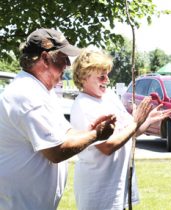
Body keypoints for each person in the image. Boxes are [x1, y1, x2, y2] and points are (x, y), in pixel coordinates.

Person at [0, 28, 116, 210]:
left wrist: (90, 130)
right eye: (63, 58)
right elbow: (56, 151)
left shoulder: (43, 91)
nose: (68, 65)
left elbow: (65, 133)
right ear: (45, 58)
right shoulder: (26, 95)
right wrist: (96, 134)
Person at [70, 48, 171, 210]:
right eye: (101, 76)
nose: (107, 80)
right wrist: (135, 122)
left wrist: (147, 121)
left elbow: (129, 133)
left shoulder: (109, 96)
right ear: (84, 77)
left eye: (107, 74)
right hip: (98, 192)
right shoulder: (84, 105)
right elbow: (107, 147)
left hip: (118, 187)